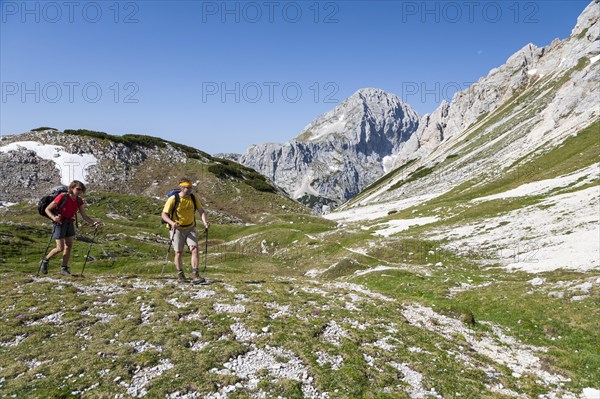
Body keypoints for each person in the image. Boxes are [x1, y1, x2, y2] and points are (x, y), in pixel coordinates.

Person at [41, 180, 101, 275]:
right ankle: (45, 260)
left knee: (68, 246)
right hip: (59, 222)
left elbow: (84, 216)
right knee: (59, 248)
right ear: (71, 188)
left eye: (81, 190)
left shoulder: (79, 201)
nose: (79, 191)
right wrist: (54, 217)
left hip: (69, 222)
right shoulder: (62, 197)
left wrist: (94, 223)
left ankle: (64, 269)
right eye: (78, 189)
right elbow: (47, 209)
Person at [161, 177, 210, 282]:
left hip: (190, 227)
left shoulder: (193, 198)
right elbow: (164, 214)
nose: (189, 190)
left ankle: (195, 274)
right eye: (187, 188)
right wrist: (172, 223)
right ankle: (180, 275)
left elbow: (201, 210)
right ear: (181, 187)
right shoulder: (173, 199)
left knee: (195, 249)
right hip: (177, 229)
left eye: (190, 188)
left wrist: (205, 222)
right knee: (179, 252)